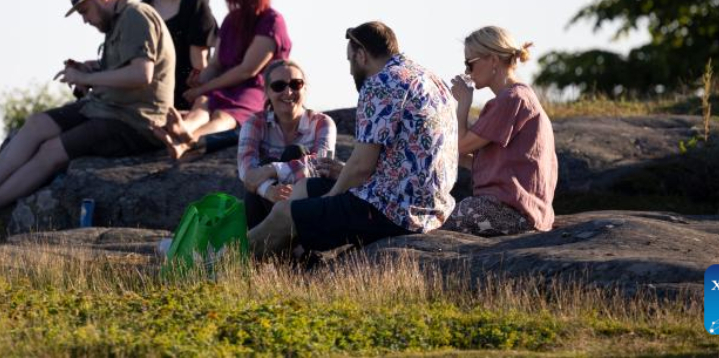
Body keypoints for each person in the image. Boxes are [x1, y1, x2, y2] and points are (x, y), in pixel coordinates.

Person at [0, 0, 175, 231]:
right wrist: (92, 69)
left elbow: (142, 74)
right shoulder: (119, 21)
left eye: (84, 11)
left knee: (51, 151)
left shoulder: (136, 16)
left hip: (134, 121)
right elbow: (126, 69)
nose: (85, 20)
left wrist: (87, 79)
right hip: (107, 108)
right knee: (37, 124)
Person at [249, 22, 457, 256]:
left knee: (285, 214)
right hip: (431, 208)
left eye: (350, 60)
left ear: (361, 55)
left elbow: (360, 167)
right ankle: (293, 265)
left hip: (394, 212)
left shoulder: (381, 83)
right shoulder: (430, 79)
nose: (350, 70)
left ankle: (218, 266)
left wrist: (329, 199)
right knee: (306, 187)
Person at [154, 0, 292, 160]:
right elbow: (216, 63)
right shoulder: (230, 21)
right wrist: (200, 80)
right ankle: (183, 130)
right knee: (202, 103)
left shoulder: (271, 21)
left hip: (256, 90)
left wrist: (205, 87)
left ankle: (189, 139)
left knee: (222, 115)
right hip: (225, 87)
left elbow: (248, 70)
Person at [444, 26, 557, 236]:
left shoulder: (510, 100)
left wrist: (463, 103)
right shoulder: (520, 97)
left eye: (470, 63)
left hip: (511, 212)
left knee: (434, 224)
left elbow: (461, 145)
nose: (467, 72)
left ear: (493, 60)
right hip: (525, 212)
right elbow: (493, 163)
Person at [238, 59, 337, 228]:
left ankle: (296, 243)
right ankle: (264, 246)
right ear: (267, 92)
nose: (288, 92)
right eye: (278, 86)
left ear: (305, 88)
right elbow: (248, 173)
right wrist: (268, 190)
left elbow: (322, 166)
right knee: (256, 182)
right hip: (266, 204)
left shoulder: (322, 122)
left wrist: (273, 170)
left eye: (295, 84)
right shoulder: (254, 123)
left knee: (294, 152)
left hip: (309, 203)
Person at [141, 0, 218, 111]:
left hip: (188, 93)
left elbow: (200, 60)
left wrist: (198, 95)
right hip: (151, 94)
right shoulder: (145, 6)